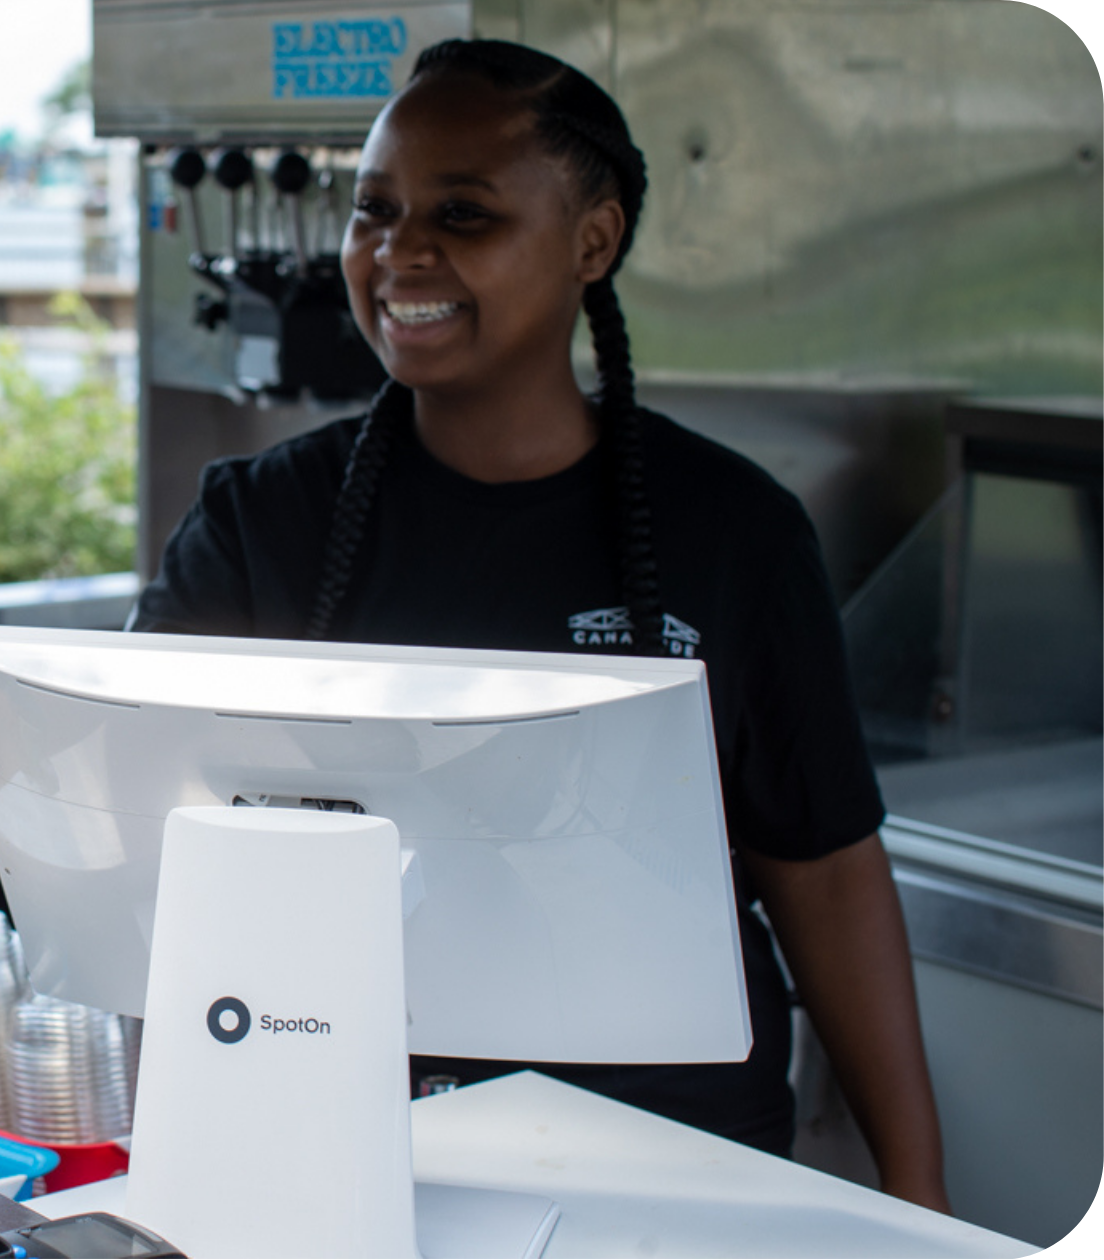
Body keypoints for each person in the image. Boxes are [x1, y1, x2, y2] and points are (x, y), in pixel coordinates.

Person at [128, 39, 951, 1211]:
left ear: (591, 242)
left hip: (675, 1166)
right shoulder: (262, 523)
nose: (398, 252)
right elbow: (126, 812)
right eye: (374, 211)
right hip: (344, 1145)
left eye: (460, 214)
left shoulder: (732, 530)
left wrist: (914, 1186)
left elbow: (819, 874)